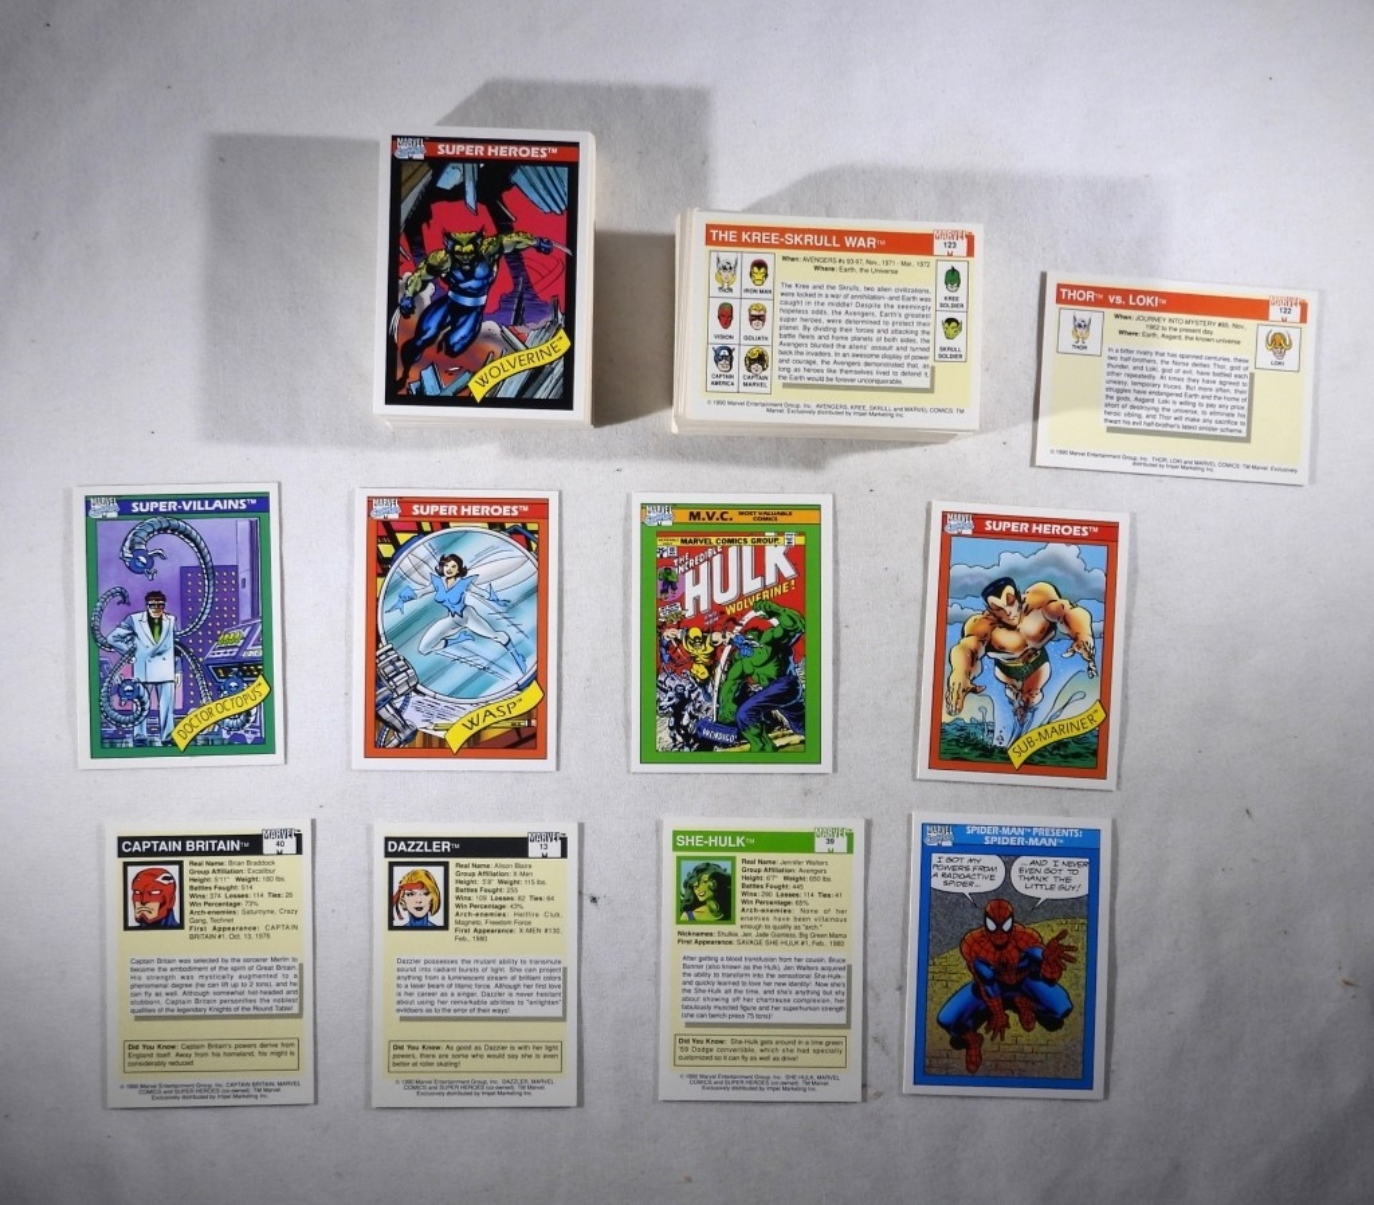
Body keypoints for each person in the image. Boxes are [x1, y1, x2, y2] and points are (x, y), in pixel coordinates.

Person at [936, 898, 1076, 1074]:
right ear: (986, 922)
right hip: (993, 987)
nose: (999, 933)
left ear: (1011, 921)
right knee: (946, 1018)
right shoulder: (973, 944)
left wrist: (1049, 961)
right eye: (993, 926)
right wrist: (998, 1013)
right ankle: (973, 1040)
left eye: (1005, 925)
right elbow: (984, 982)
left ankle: (1025, 1003)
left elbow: (1049, 977)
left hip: (1024, 982)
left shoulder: (1026, 938)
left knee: (1062, 1007)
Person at [945, 577, 1096, 727]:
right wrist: (960, 674)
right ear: (991, 610)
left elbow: (1067, 610)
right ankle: (1015, 706)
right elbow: (968, 647)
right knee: (1014, 695)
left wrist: (1082, 634)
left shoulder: (1039, 600)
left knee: (1031, 698)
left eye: (1010, 601)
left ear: (1018, 596)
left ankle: (1025, 715)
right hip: (1007, 670)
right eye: (998, 608)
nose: (1008, 612)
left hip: (1037, 662)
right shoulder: (984, 625)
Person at [411, 553, 525, 674]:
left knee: (495, 636)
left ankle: (517, 656)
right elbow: (422, 592)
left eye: (453, 566)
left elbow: (481, 592)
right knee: (424, 649)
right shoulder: (437, 582)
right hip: (452, 620)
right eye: (447, 565)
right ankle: (458, 639)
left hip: (468, 617)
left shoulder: (463, 583)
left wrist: (496, 599)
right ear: (442, 567)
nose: (449, 569)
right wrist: (407, 596)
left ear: (458, 570)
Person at [715, 599, 805, 752]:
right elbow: (731, 683)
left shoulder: (769, 640)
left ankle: (763, 748)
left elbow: (796, 625)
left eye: (750, 640)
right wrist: (726, 706)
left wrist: (776, 610)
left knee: (745, 713)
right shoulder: (742, 660)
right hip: (775, 695)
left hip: (787, 684)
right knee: (801, 726)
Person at [109, 590, 179, 744]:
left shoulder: (171, 620)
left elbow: (177, 647)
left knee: (167, 707)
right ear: (147, 605)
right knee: (141, 704)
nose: (157, 608)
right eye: (153, 605)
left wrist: (178, 670)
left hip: (166, 669)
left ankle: (168, 736)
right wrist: (130, 652)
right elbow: (113, 638)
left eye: (160, 605)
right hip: (143, 669)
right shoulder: (134, 620)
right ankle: (139, 735)